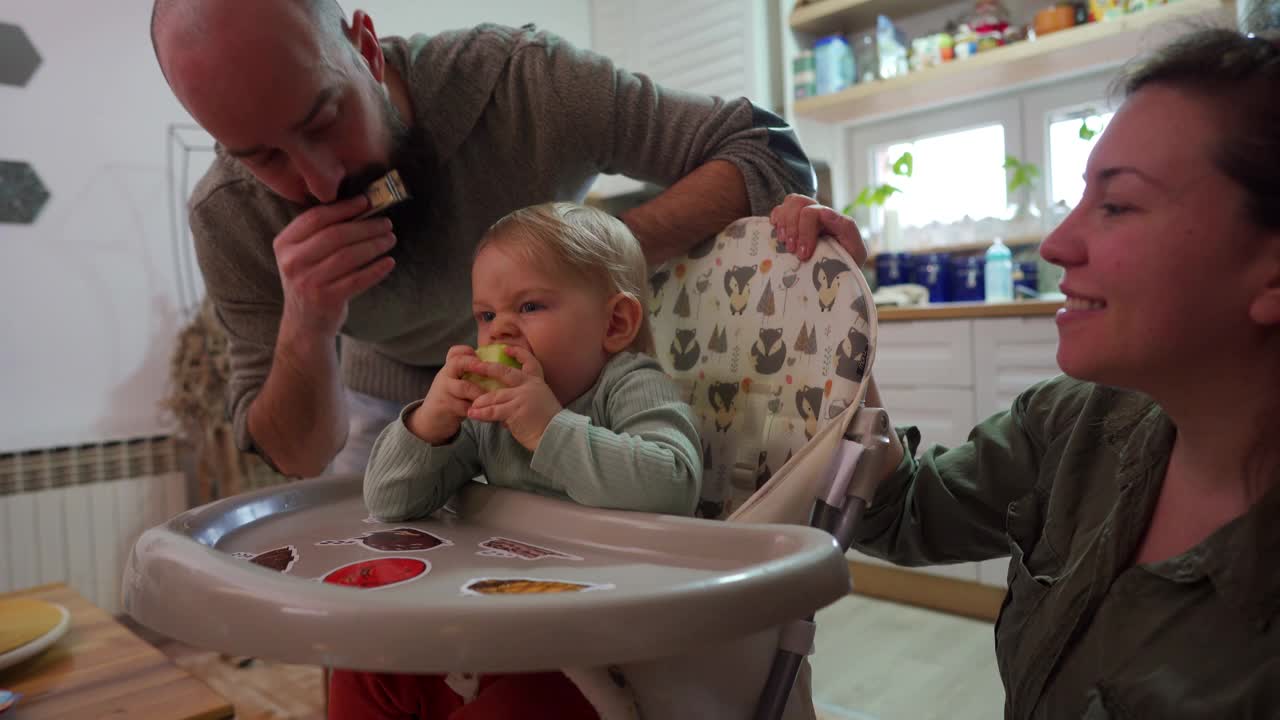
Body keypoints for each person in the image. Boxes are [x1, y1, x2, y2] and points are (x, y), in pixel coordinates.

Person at [771, 27, 1280, 718]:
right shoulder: (1072, 424)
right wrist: (837, 319)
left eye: (1118, 204)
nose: (1057, 244)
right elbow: (905, 513)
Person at [148, 0, 828, 479]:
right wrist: (306, 325)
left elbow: (768, 150)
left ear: (364, 48)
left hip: (570, 390)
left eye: (325, 118)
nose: (320, 182)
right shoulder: (228, 216)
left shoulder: (523, 82)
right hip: (386, 408)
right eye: (263, 158)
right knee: (383, 640)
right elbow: (298, 456)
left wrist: (596, 252)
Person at [336, 202, 702, 719]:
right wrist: (432, 422)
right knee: (366, 664)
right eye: (486, 315)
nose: (499, 331)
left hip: (602, 649)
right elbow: (390, 503)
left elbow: (673, 485)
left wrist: (548, 429)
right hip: (495, 618)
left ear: (615, 323)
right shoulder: (489, 413)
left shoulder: (630, 386)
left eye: (529, 306)